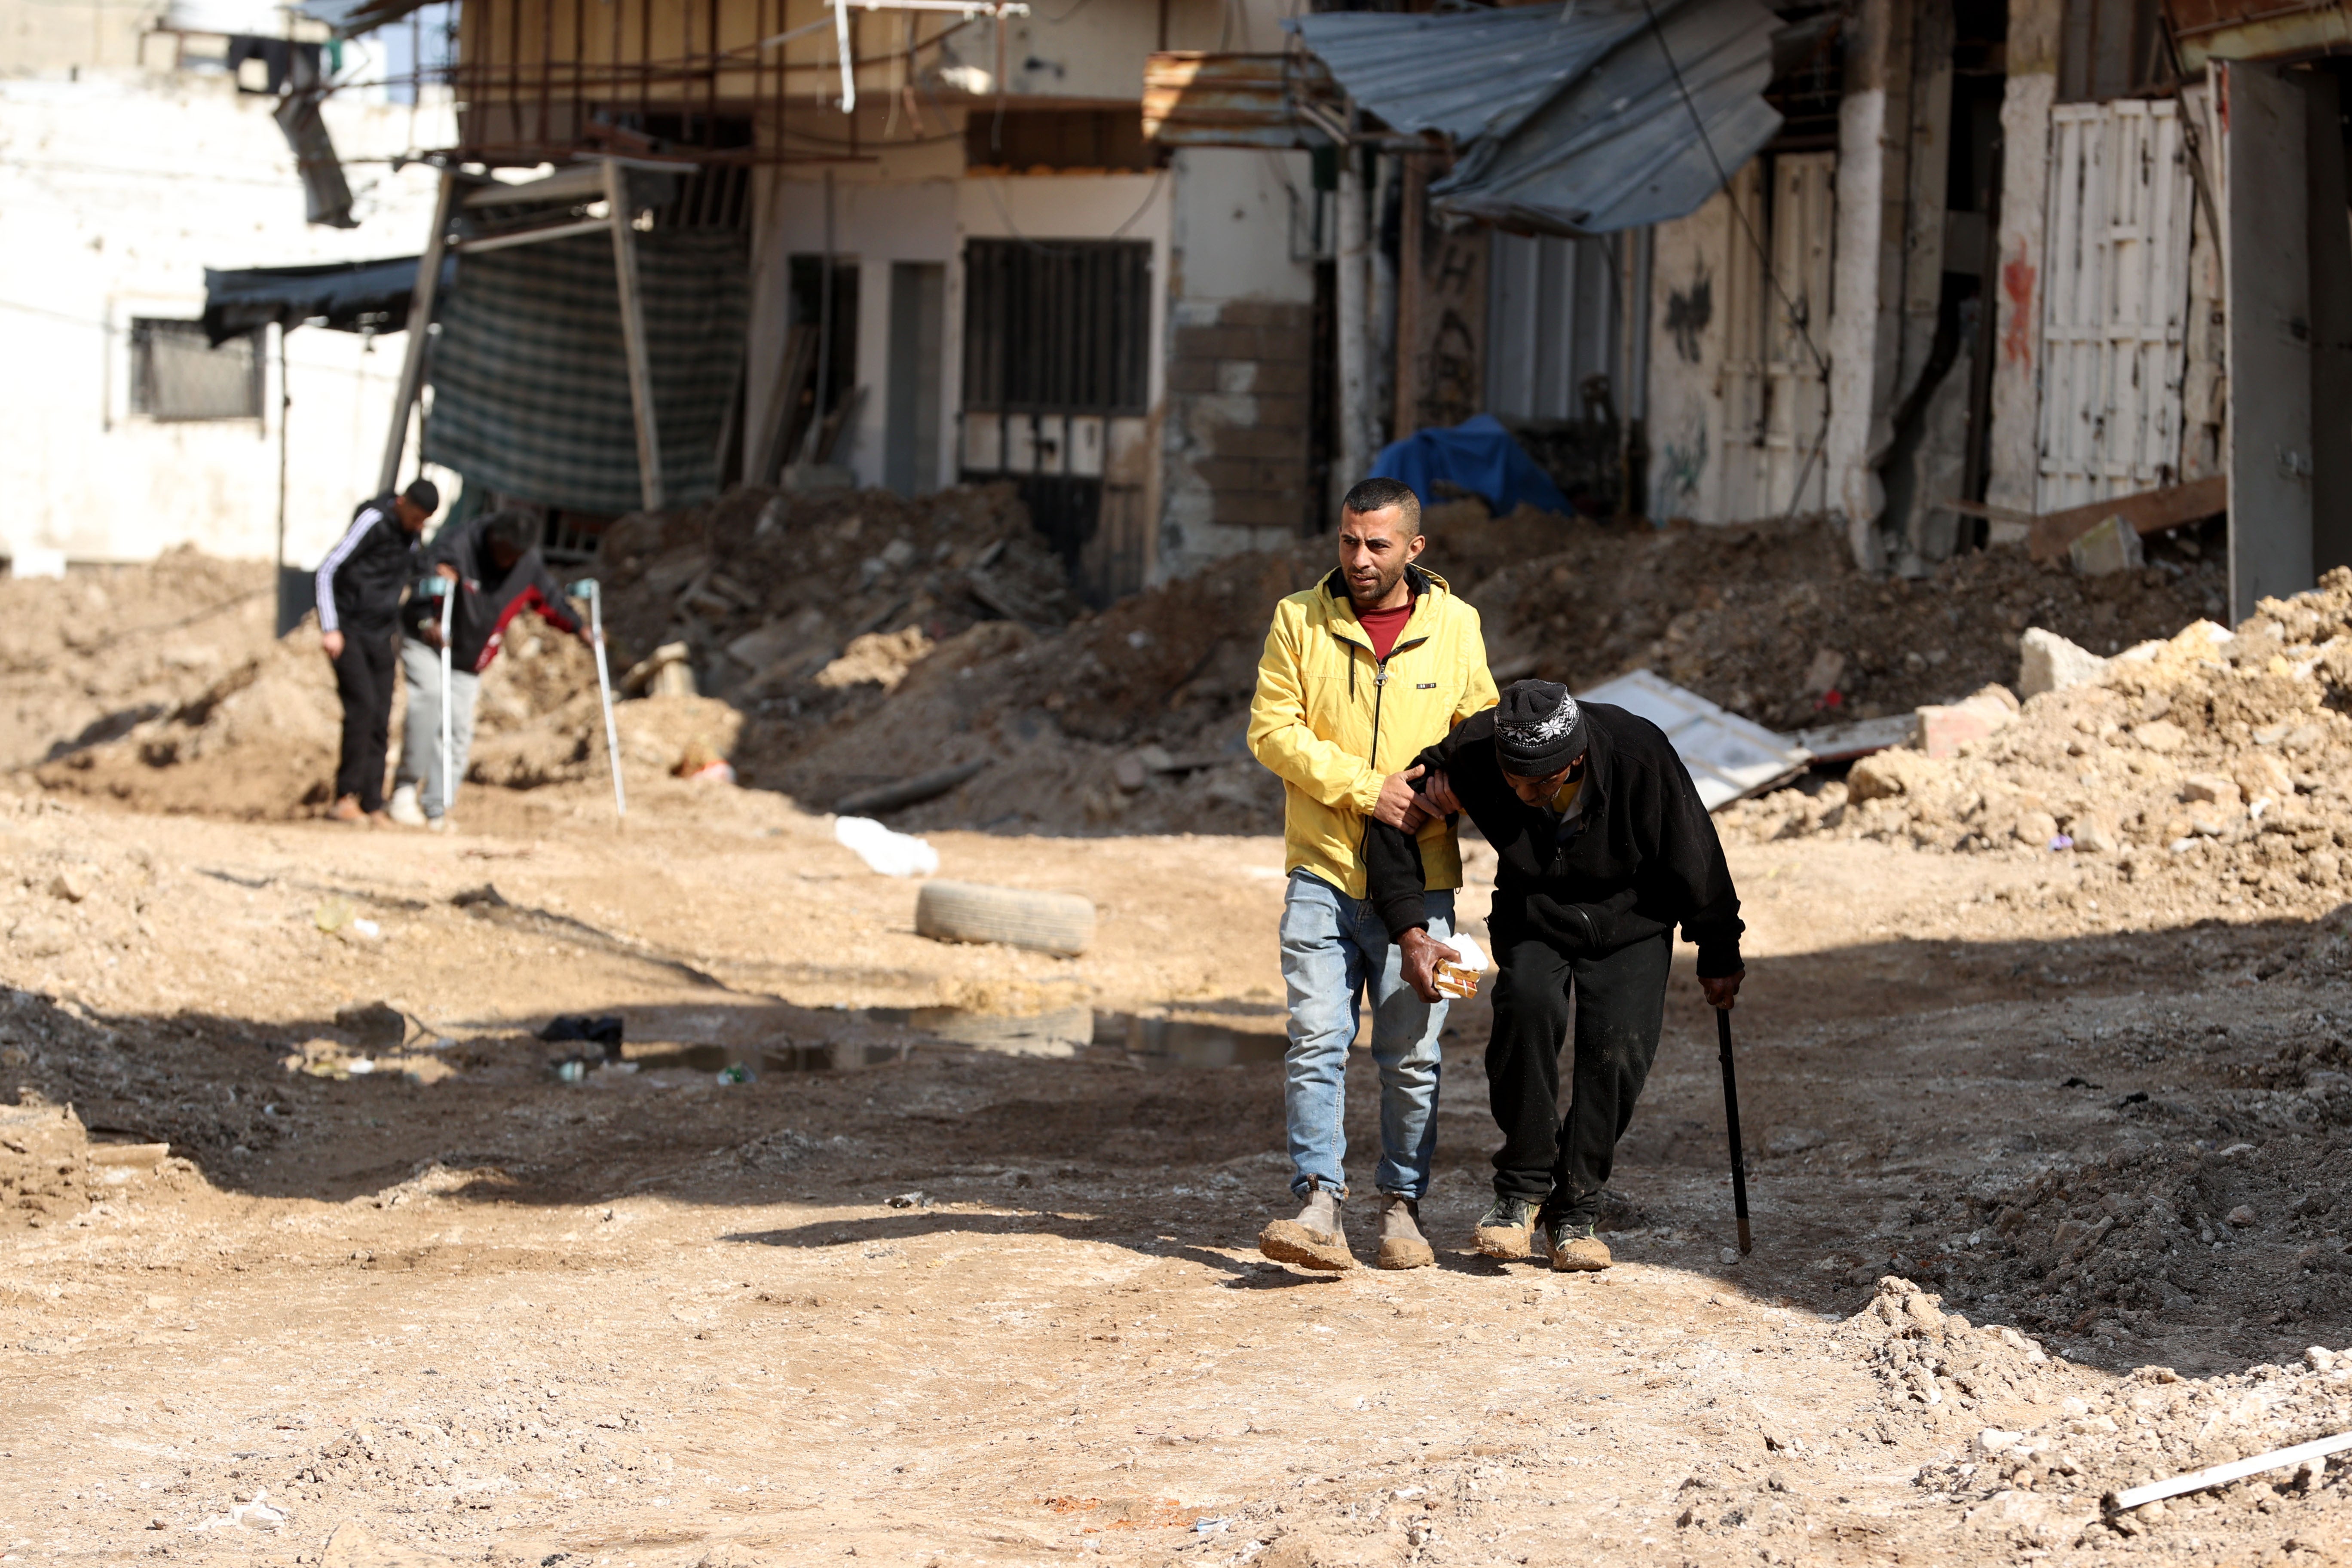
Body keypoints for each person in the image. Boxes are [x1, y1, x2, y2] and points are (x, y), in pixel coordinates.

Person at [1362, 680, 1745, 1273]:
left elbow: (1694, 850)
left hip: (1634, 917)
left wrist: (1718, 949)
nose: (1523, 794)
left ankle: (1575, 1208)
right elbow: (1391, 817)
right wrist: (1410, 929)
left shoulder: (1638, 752)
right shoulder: (1475, 749)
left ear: (1577, 758)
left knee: (1617, 1050)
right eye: (1512, 781)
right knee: (1526, 1007)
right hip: (1534, 910)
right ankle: (1520, 1190)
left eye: (1540, 783)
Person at [1244, 478, 1498, 1271]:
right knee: (1317, 1038)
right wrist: (1367, 788)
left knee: (1413, 1054)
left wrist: (1443, 793)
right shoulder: (1298, 619)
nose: (1358, 557)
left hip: (1424, 887)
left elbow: (1483, 737)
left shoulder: (1458, 627)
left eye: (1376, 544)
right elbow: (1271, 730)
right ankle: (1318, 1201)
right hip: (1319, 872)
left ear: (1414, 548)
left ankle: (1401, 1206)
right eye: (1348, 540)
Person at [386, 508, 584, 830]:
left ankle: (437, 805)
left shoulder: (527, 564)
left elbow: (551, 601)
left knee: (458, 730)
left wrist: (580, 628)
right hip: (428, 641)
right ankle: (405, 790)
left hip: (469, 657)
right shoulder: (458, 544)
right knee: (431, 701)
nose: (508, 562)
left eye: (514, 557)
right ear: (493, 540)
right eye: (504, 554)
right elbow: (421, 579)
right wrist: (429, 616)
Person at [315, 479, 439, 824]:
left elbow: (415, 571)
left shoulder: (411, 537)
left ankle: (373, 802)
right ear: (403, 503)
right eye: (416, 517)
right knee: (362, 709)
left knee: (381, 715)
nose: (418, 526)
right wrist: (331, 628)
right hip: (348, 630)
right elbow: (327, 570)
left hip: (382, 634)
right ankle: (345, 796)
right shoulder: (372, 520)